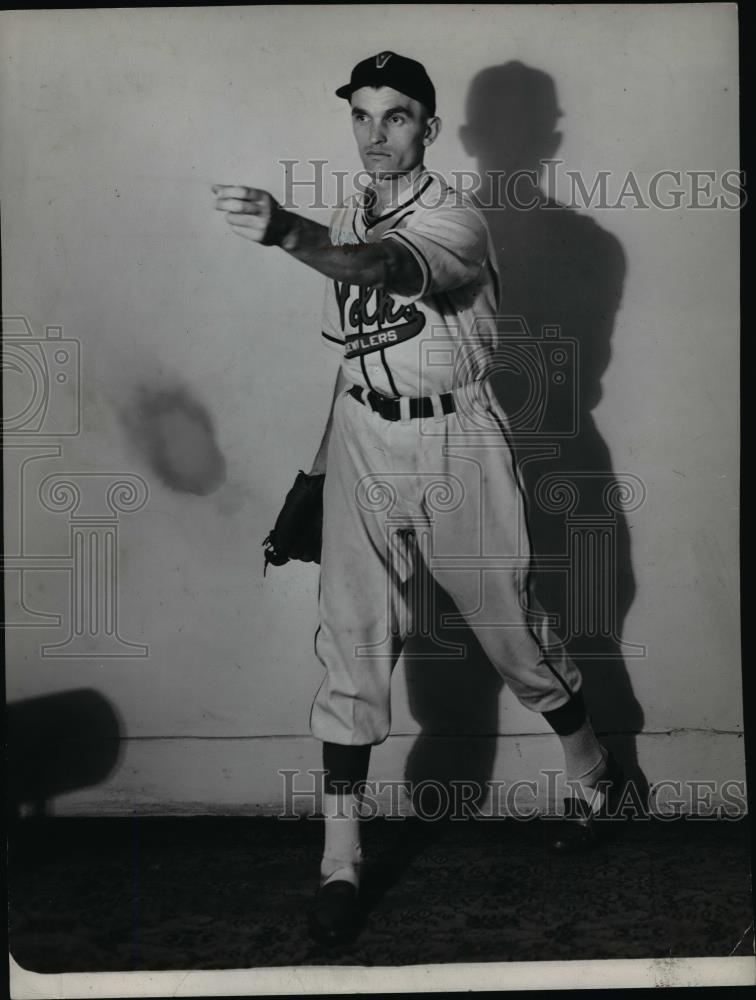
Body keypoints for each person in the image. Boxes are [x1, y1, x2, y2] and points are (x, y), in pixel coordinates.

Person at [213, 51, 623, 947]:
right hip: (362, 432)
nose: (374, 135)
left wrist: (288, 232)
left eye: (395, 116)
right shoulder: (355, 204)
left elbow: (386, 272)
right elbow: (353, 356)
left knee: (512, 636)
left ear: (434, 129)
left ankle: (596, 771)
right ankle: (340, 862)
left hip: (456, 438)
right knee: (351, 639)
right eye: (360, 116)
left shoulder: (457, 219)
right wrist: (316, 476)